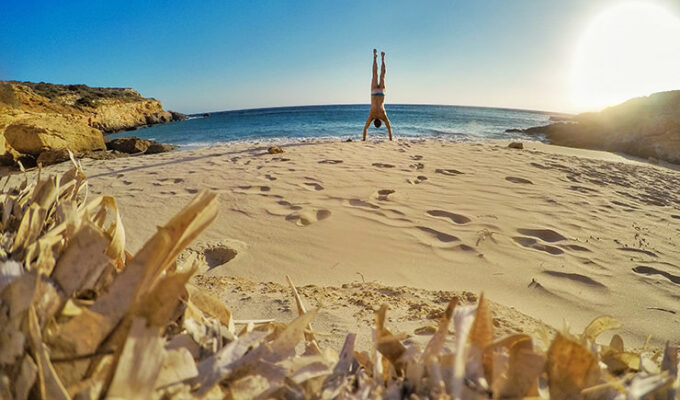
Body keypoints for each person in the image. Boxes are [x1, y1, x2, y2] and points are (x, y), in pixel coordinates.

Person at [362, 49, 393, 141]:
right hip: (374, 93)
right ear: (374, 122)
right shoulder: (371, 115)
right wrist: (364, 138)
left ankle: (383, 58)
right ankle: (375, 57)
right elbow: (365, 129)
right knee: (375, 74)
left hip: (381, 94)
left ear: (381, 122)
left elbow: (389, 128)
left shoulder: (383, 115)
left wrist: (391, 138)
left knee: (382, 76)